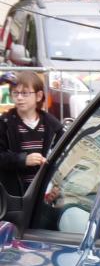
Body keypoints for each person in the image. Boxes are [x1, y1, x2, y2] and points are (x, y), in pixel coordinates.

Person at [0, 71, 62, 199]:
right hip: (13, 197)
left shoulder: (53, 125)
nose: (19, 97)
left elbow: (63, 159)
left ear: (39, 96)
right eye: (15, 93)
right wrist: (22, 160)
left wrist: (57, 185)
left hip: (42, 196)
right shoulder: (4, 123)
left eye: (25, 93)